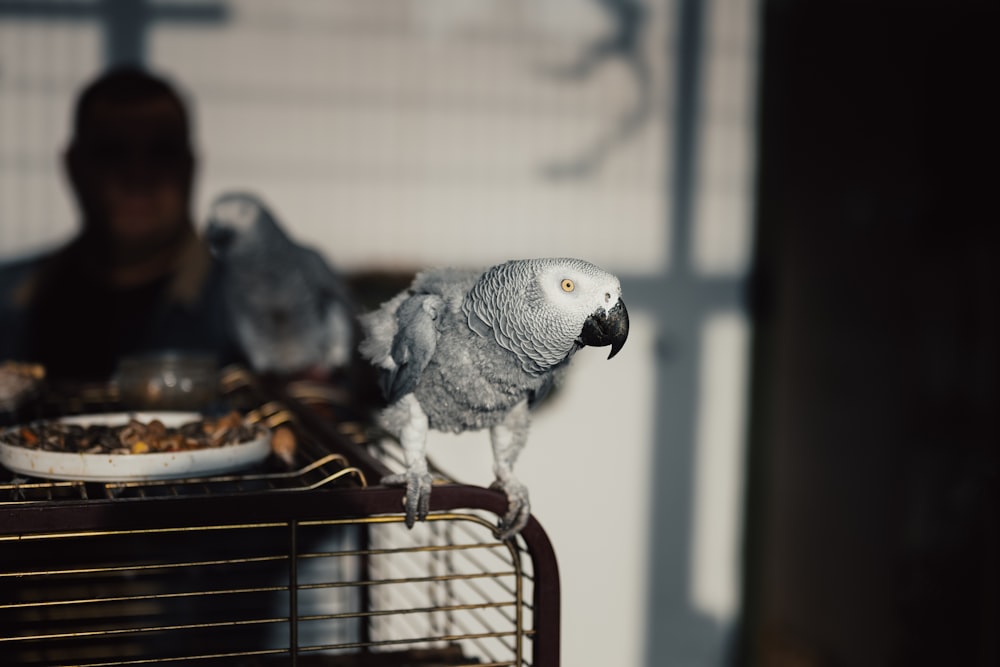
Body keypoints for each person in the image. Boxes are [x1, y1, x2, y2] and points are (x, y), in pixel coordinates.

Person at [0, 66, 246, 383]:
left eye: (161, 152)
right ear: (73, 166)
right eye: (111, 153)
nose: (138, 175)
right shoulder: (9, 299)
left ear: (189, 166)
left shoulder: (256, 308)